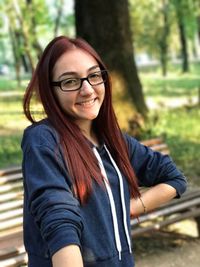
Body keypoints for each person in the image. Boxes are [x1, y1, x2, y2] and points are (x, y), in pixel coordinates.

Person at [21, 35, 187, 267]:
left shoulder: (114, 141)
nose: (88, 90)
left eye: (94, 75)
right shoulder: (43, 139)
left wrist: (127, 208)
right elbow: (58, 217)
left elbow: (175, 178)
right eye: (70, 81)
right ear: (51, 90)